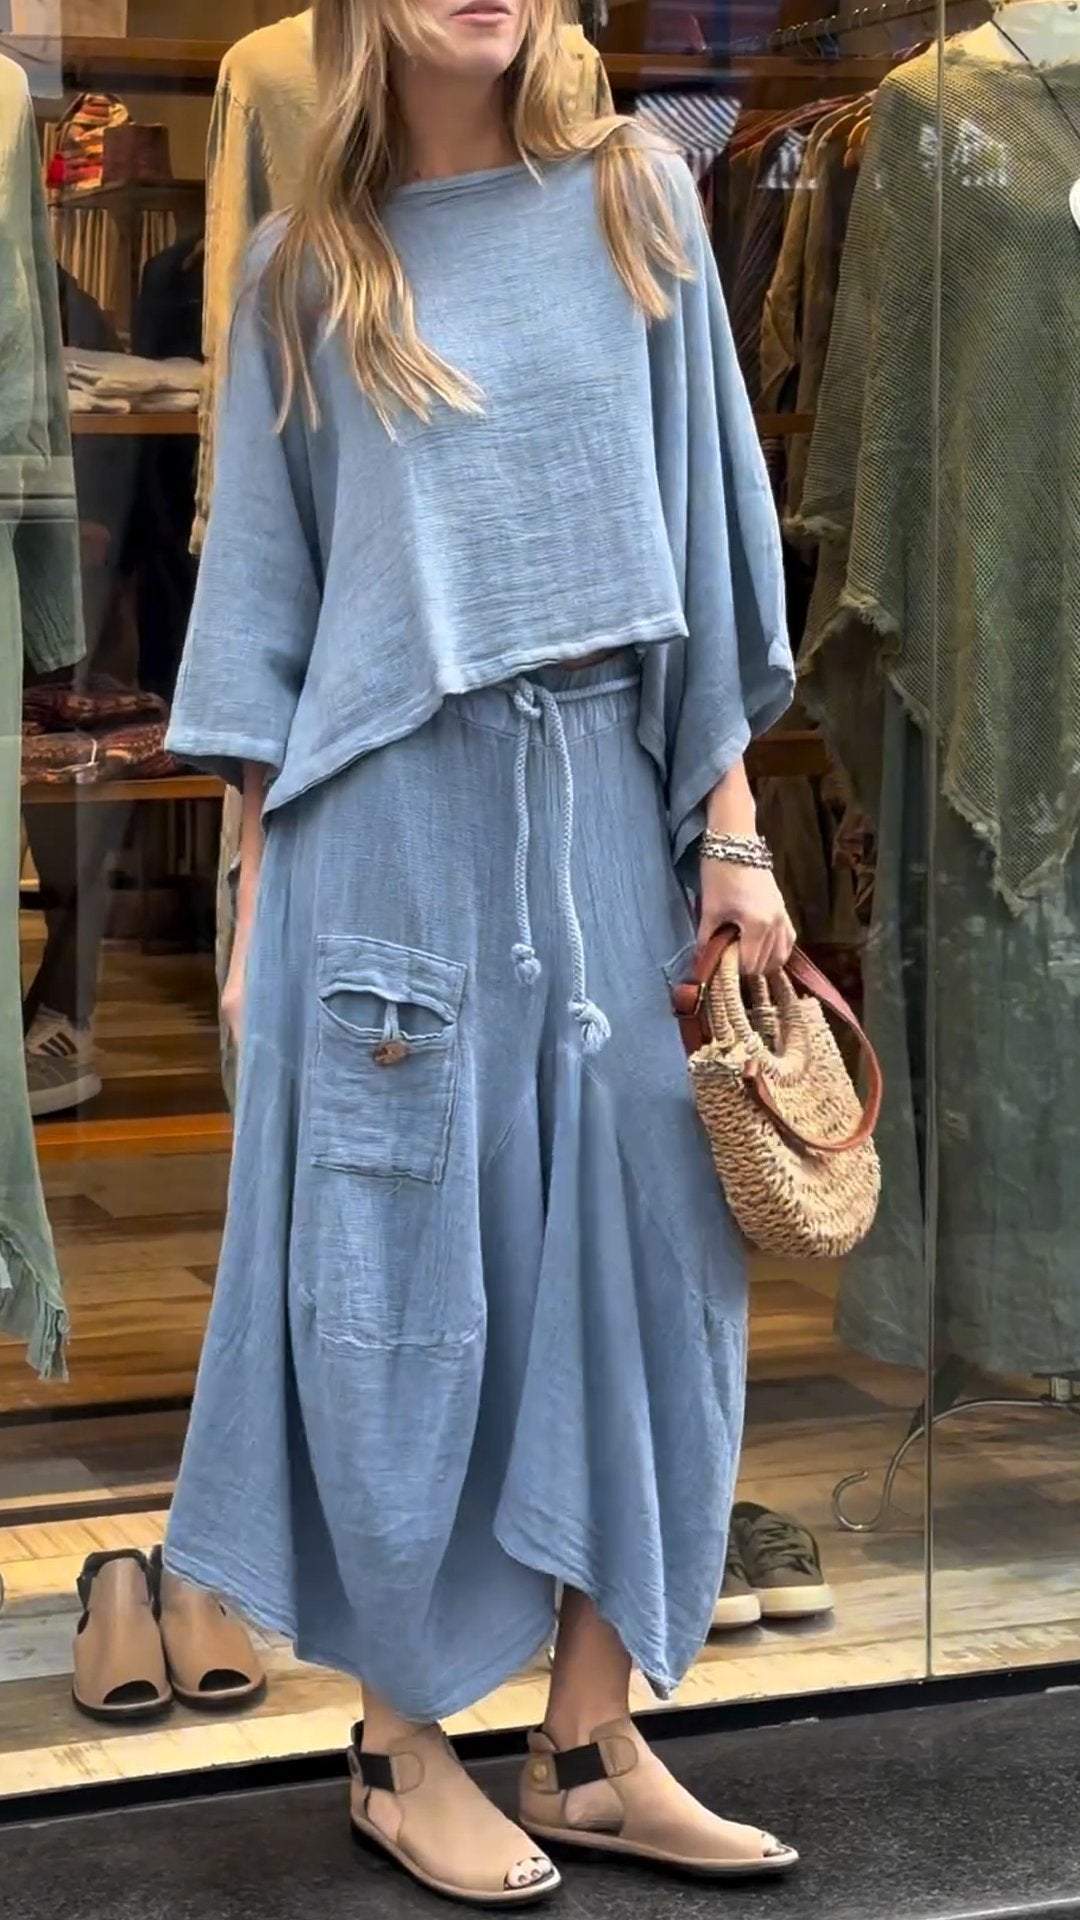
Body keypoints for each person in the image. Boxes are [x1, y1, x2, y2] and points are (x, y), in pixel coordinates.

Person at [163, 0, 799, 1901]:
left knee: (654, 1268)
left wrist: (733, 832)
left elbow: (708, 540)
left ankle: (591, 1745)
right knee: (390, 1290)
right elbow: (260, 618)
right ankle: (396, 1745)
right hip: (381, 845)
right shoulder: (303, 271)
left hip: (604, 809)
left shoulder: (638, 203)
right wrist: (251, 912)